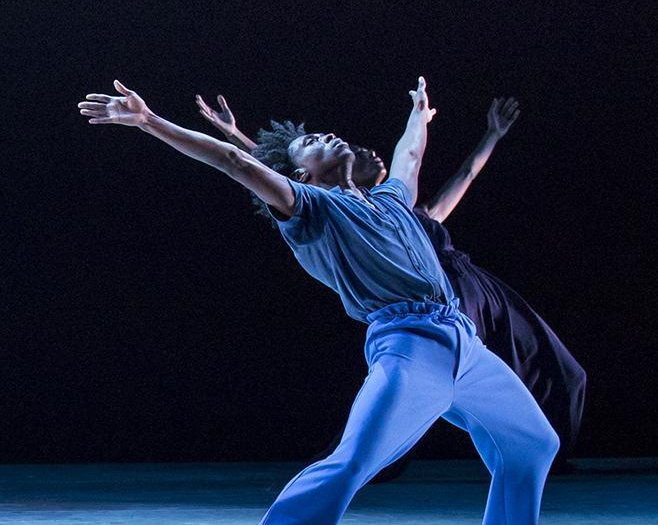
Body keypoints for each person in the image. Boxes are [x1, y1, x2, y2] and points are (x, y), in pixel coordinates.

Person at [77, 77, 562, 525]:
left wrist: (418, 114)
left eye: (321, 134)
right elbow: (235, 162)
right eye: (309, 144)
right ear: (298, 172)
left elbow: (411, 158)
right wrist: (150, 122)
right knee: (352, 461)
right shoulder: (309, 210)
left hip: (464, 342)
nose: (325, 136)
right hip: (409, 346)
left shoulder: (392, 201)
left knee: (533, 441)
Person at [195, 91, 584, 473]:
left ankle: (536, 449)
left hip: (477, 293)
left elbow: (437, 165)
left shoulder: (402, 207)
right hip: (435, 304)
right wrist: (236, 135)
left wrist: (487, 133)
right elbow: (284, 179)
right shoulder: (347, 214)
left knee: (544, 367)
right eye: (363, 154)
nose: (371, 155)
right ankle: (363, 457)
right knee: (425, 386)